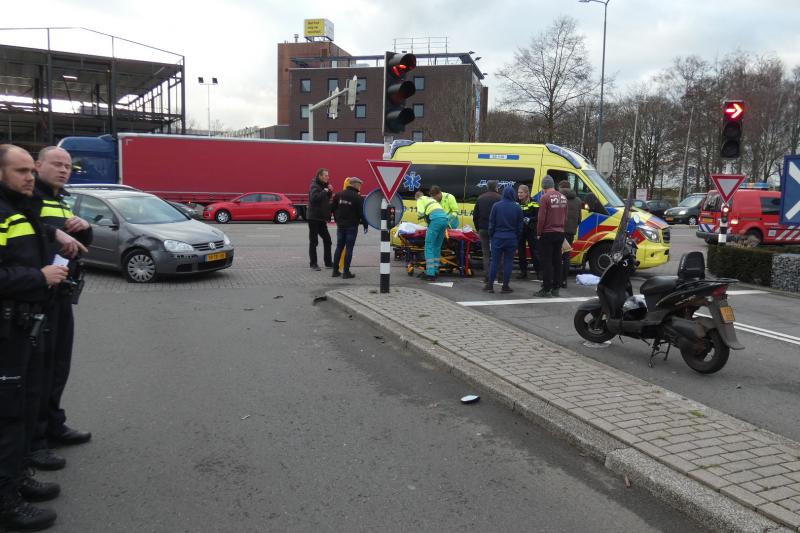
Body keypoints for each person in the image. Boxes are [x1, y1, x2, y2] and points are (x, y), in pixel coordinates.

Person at [0, 144, 85, 531]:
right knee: (13, 405)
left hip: (36, 309)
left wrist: (77, 233)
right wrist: (39, 277)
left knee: (38, 384)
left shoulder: (32, 206)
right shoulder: (15, 209)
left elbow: (46, 247)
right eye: (22, 171)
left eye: (30, 172)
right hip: (18, 316)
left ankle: (19, 476)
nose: (29, 177)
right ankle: (9, 495)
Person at [28, 147, 93, 474]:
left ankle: (54, 424)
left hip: (60, 295)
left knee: (58, 365)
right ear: (37, 165)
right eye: (56, 164)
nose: (64, 170)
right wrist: (52, 231)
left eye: (68, 166)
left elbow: (77, 245)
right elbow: (32, 240)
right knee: (36, 372)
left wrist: (82, 229)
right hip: (35, 295)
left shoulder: (60, 198)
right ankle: (35, 441)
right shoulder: (27, 198)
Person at [534, 175, 568, 298]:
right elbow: (565, 216)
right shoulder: (563, 197)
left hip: (547, 233)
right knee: (558, 261)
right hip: (560, 232)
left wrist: (538, 233)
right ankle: (556, 288)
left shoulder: (544, 198)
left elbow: (541, 218)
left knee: (546, 262)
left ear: (544, 187)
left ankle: (546, 289)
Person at [487, 185, 523, 294]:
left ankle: (490, 286)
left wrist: (491, 236)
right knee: (508, 262)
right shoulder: (517, 207)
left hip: (497, 237)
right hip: (511, 238)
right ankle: (505, 286)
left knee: (495, 262)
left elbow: (491, 224)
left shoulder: (496, 206)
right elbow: (520, 227)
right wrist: (517, 238)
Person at [331, 177, 367, 279]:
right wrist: (365, 225)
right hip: (352, 226)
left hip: (341, 225)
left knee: (339, 247)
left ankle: (335, 271)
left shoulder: (338, 195)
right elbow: (362, 214)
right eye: (359, 185)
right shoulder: (358, 198)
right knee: (349, 248)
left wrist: (337, 218)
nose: (360, 187)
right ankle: (346, 272)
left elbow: (332, 208)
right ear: (354, 185)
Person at [472, 181, 501, 284]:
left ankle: (487, 276)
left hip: (483, 229)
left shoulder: (480, 198)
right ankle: (500, 275)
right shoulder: (499, 198)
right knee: (497, 252)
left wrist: (478, 228)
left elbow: (475, 216)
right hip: (496, 229)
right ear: (496, 187)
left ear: (487, 187)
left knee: (486, 254)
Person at [415, 190, 448, 281]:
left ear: (417, 198)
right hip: (444, 220)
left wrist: (420, 216)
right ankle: (436, 270)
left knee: (429, 246)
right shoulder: (431, 200)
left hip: (436, 221)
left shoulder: (420, 200)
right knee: (437, 247)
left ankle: (430, 274)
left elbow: (420, 212)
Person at [307, 168, 333, 271]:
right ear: (320, 176)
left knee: (328, 240)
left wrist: (329, 191)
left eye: (328, 175)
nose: (328, 177)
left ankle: (328, 262)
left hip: (321, 218)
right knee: (314, 241)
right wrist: (325, 191)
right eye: (326, 175)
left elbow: (325, 198)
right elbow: (314, 199)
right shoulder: (314, 185)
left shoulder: (324, 186)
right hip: (313, 218)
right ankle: (313, 264)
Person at [559, 180, 583, 289]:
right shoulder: (578, 200)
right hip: (570, 232)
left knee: (556, 255)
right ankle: (564, 281)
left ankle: (556, 279)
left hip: (558, 230)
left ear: (560, 187)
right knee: (566, 256)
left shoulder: (558, 198)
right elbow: (579, 218)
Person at [515, 184, 540, 280]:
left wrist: (530, 219)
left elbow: (538, 216)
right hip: (521, 230)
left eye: (521, 192)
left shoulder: (534, 202)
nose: (519, 194)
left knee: (535, 252)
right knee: (521, 252)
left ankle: (539, 272)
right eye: (518, 192)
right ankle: (523, 272)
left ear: (526, 193)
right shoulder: (516, 202)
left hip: (531, 230)